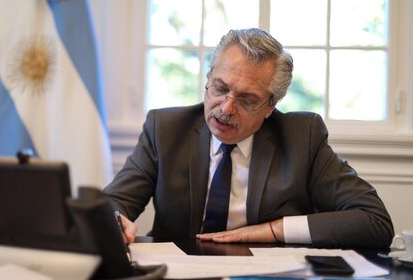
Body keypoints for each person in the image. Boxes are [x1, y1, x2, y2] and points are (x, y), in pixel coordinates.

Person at [104, 28, 394, 248]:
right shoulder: (166, 129)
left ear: (270, 106)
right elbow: (113, 201)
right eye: (220, 88)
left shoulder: (301, 137)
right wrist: (114, 221)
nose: (226, 108)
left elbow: (375, 221)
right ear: (208, 78)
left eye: (247, 100)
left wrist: (273, 230)